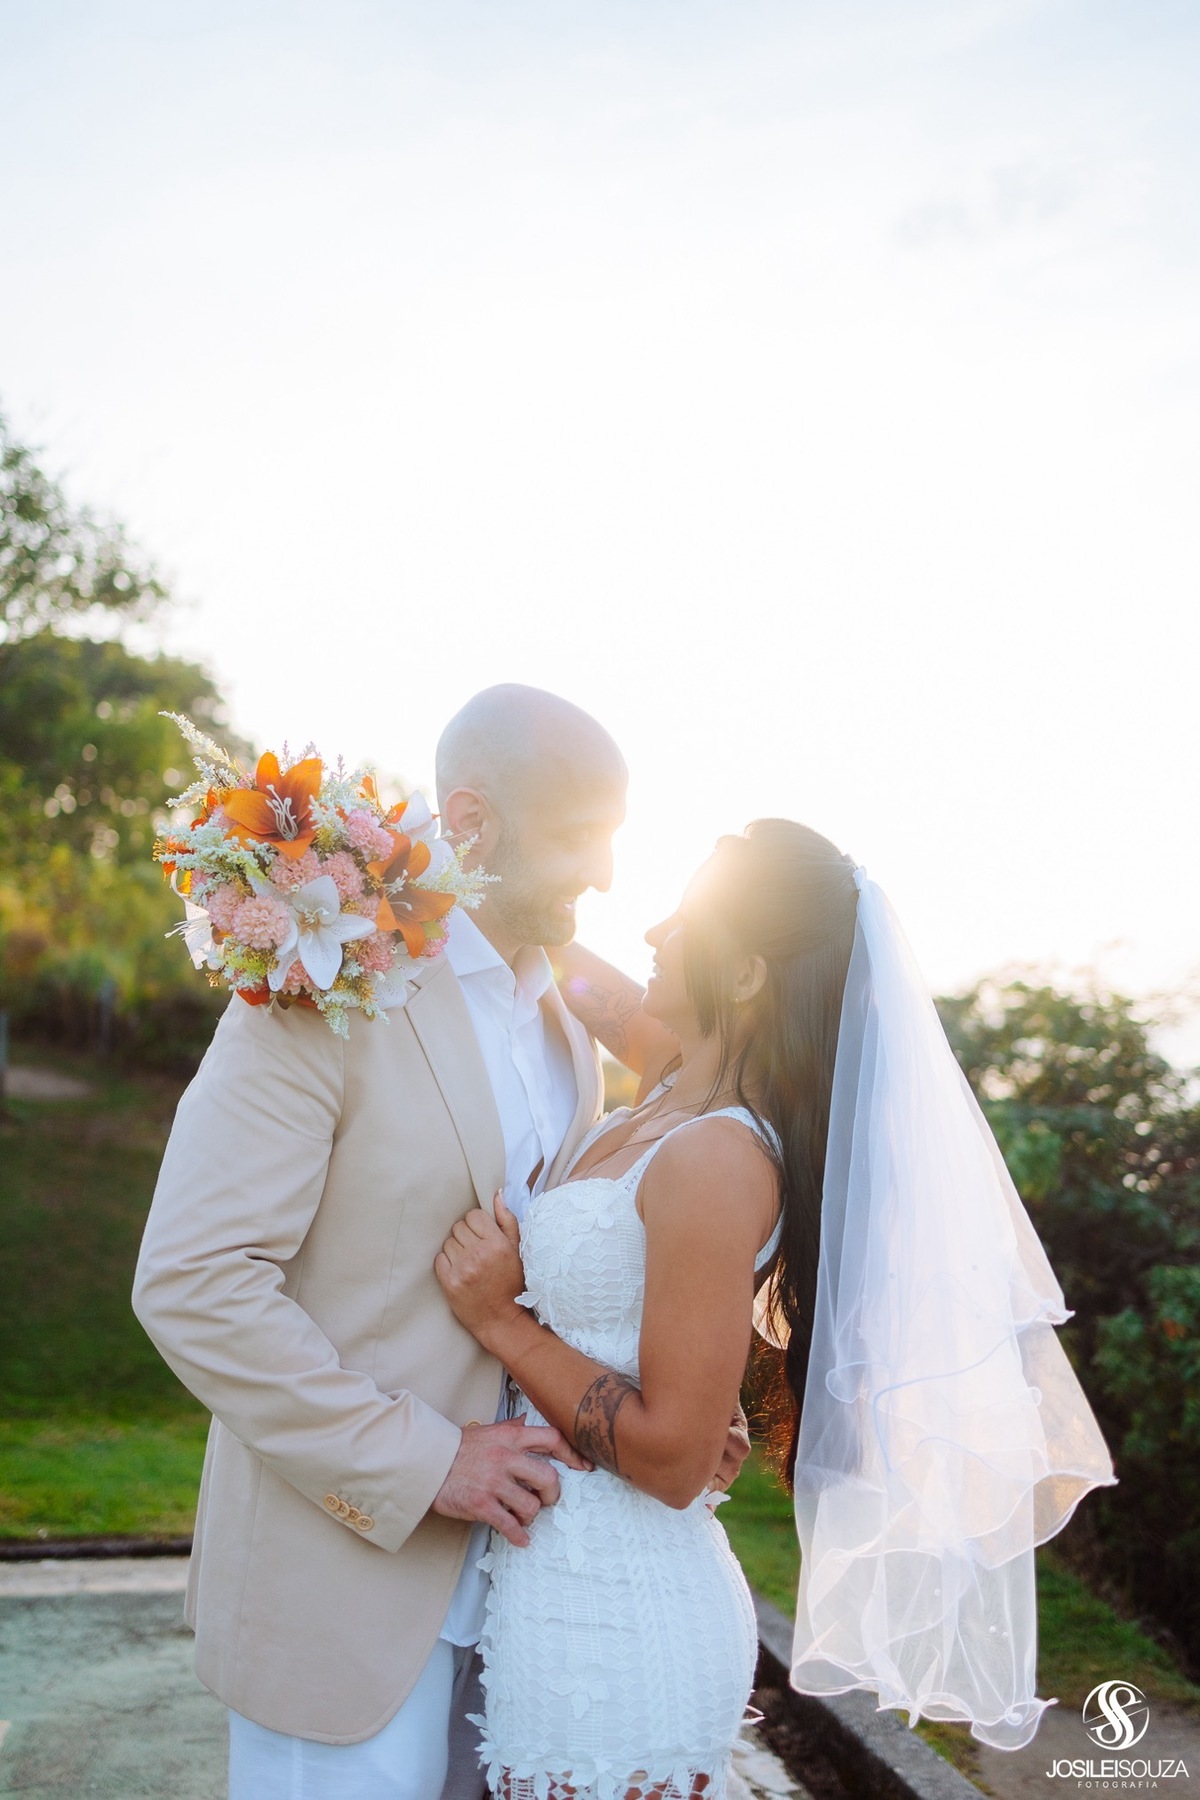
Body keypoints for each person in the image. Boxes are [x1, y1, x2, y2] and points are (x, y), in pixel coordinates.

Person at [435, 818, 1116, 1798]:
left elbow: (674, 1460)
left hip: (621, 1614)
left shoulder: (716, 1155)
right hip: (552, 1579)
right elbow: (552, 949)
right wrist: (421, 860)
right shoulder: (671, 1072)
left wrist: (502, 1321)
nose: (656, 929)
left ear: (748, 975)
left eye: (687, 915)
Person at [134, 685, 656, 1800]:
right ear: (469, 821)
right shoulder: (325, 992)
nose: (607, 874)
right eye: (580, 837)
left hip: (532, 1601)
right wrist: (427, 1464)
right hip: (341, 1592)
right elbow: (194, 1283)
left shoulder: (568, 1030)